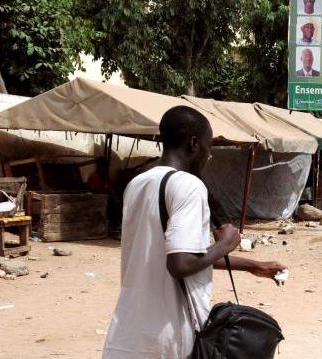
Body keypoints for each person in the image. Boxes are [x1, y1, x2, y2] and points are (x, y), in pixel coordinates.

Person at [103, 106, 286, 358]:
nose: (208, 157)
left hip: (127, 333)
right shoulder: (189, 186)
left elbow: (181, 254)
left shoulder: (137, 184)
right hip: (168, 338)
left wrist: (252, 265)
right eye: (208, 148)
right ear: (193, 144)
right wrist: (228, 242)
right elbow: (180, 263)